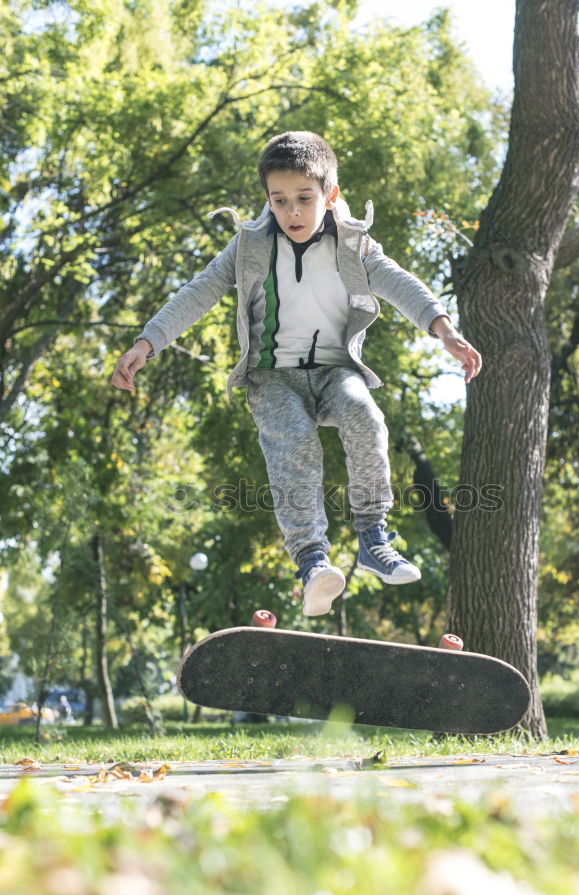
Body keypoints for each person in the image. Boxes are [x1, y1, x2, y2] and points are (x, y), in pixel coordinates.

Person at [112, 131, 482, 615]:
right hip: (273, 375)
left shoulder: (354, 243)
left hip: (334, 369)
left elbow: (397, 281)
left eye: (304, 199)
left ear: (329, 196)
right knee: (295, 443)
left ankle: (373, 537)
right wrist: (147, 341)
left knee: (366, 418)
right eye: (280, 200)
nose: (292, 213)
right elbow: (198, 291)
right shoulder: (249, 246)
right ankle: (312, 562)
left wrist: (443, 328)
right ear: (267, 199)